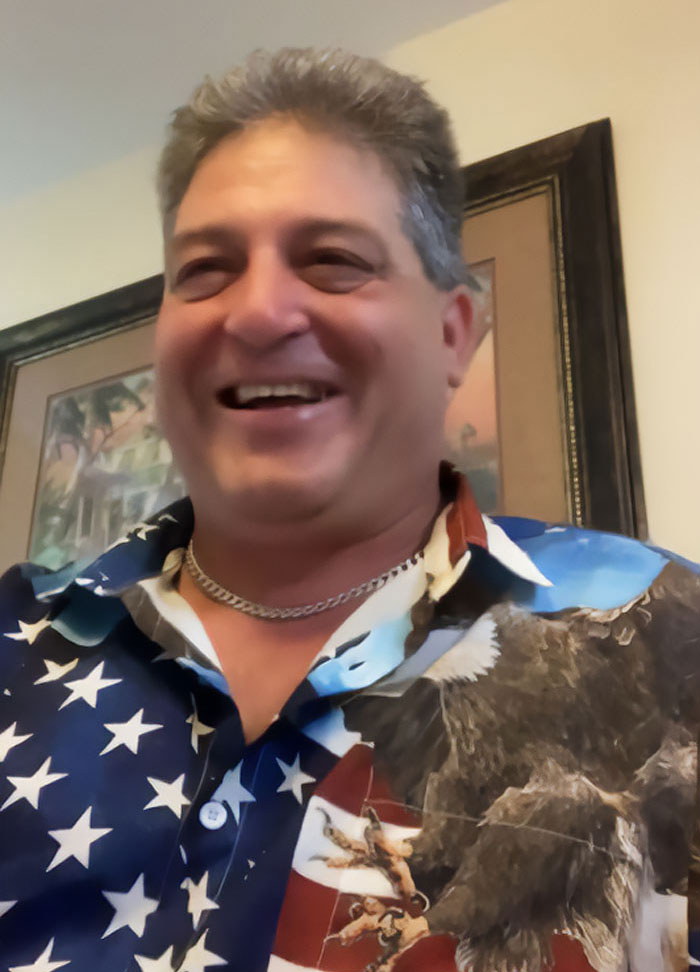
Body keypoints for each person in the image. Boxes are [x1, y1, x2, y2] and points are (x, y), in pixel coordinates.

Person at [0, 47, 698, 972]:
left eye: (333, 261)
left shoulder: (673, 641)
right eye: (205, 269)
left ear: (452, 334)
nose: (257, 313)